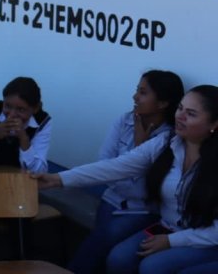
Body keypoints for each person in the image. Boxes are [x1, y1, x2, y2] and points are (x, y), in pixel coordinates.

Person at [36, 85, 218, 274]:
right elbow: (116, 167)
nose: (180, 116)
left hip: (207, 239)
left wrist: (171, 241)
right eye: (180, 108)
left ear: (214, 124)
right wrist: (57, 179)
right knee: (119, 258)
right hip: (167, 228)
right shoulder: (166, 142)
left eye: (191, 114)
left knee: (152, 267)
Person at [68, 70, 185, 274]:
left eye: (143, 93)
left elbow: (150, 190)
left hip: (143, 209)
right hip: (111, 199)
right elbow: (104, 164)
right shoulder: (125, 121)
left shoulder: (169, 138)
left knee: (106, 239)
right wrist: (124, 173)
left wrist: (139, 147)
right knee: (101, 240)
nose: (135, 97)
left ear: (162, 103)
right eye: (137, 90)